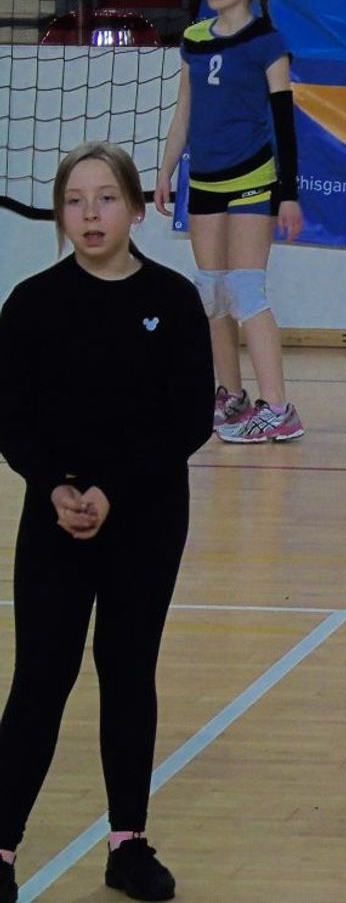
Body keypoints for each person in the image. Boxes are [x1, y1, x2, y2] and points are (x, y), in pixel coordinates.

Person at [0, 142, 214, 902]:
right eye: (74, 201)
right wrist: (56, 488)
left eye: (106, 198)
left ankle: (128, 844)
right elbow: (11, 416)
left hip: (146, 518)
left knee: (127, 671)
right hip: (55, 520)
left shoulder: (173, 300)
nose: (90, 215)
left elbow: (189, 419)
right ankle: (0, 847)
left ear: (135, 209)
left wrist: (113, 491)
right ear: (61, 214)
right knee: (41, 678)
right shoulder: (31, 303)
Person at [154, 0, 304, 443]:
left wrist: (288, 193)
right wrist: (166, 170)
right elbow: (185, 110)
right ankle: (231, 395)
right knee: (212, 291)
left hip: (251, 179)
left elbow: (284, 124)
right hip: (204, 181)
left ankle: (279, 408)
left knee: (245, 288)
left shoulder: (267, 43)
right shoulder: (195, 39)